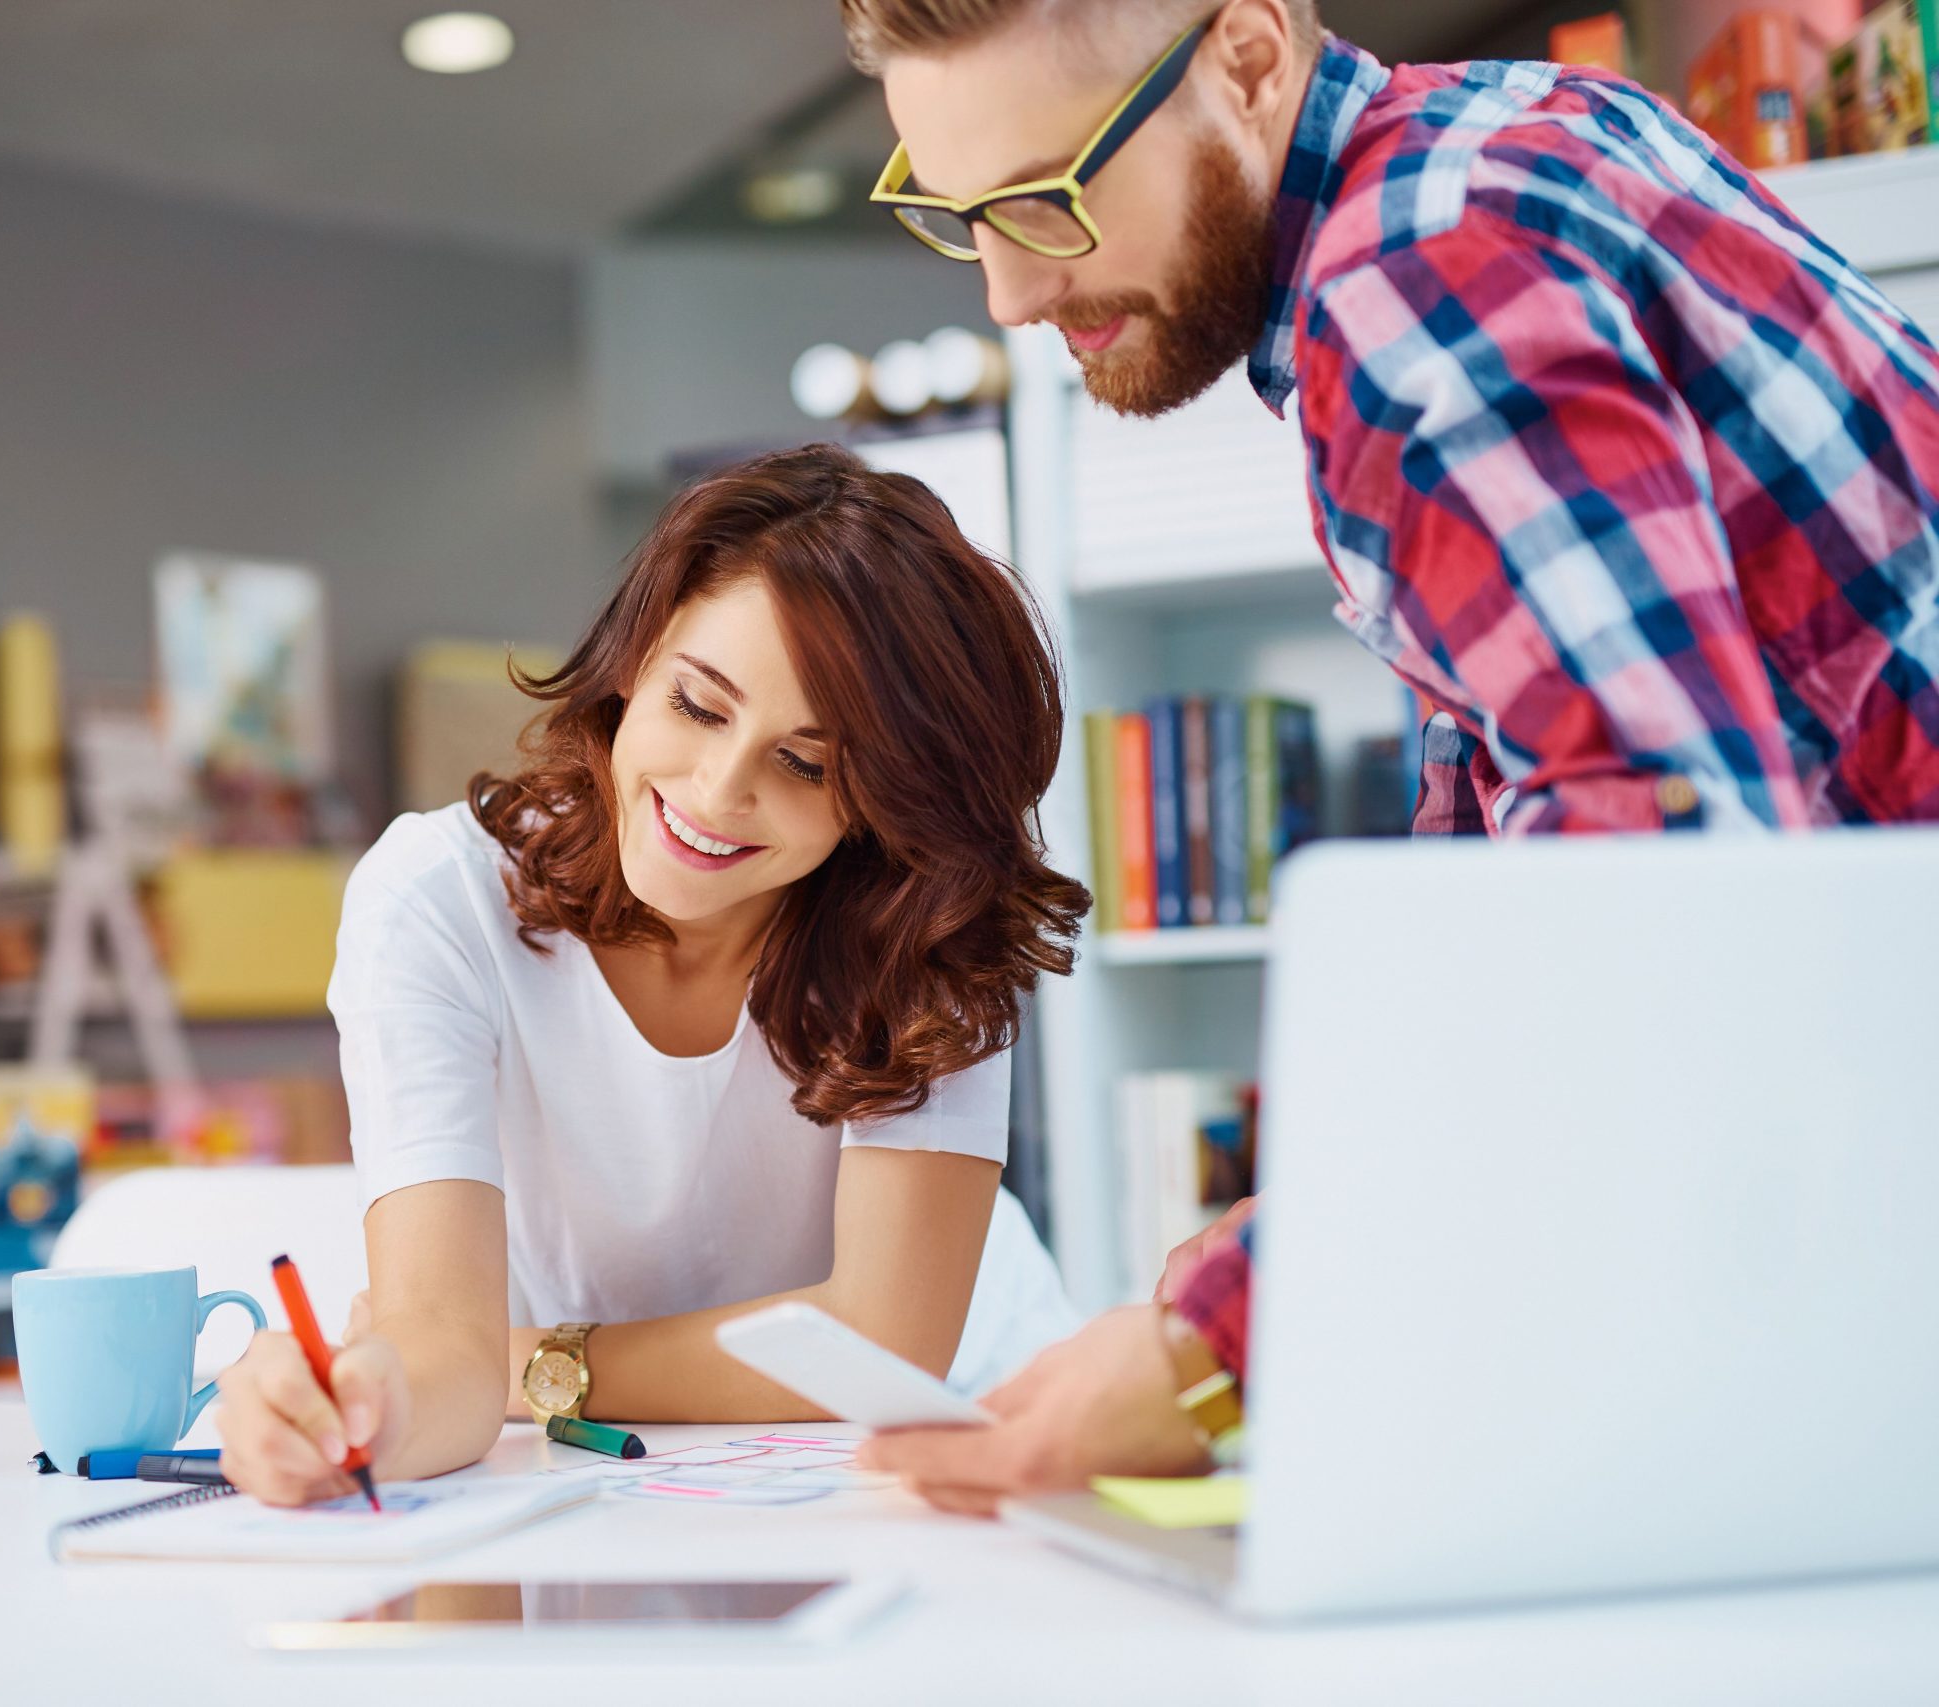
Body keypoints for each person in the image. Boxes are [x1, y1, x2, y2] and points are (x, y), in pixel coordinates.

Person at [842, 0, 1939, 1509]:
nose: (1014, 290)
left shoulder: (1419, 281)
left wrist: (1213, 1346)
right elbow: (1528, 836)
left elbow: (1666, 891)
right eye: (957, 213)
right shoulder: (1509, 142)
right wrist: (1339, 1209)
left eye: (1049, 192)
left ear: (1245, 51)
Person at [211, 443, 1089, 1504]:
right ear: (636, 657)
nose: (717, 793)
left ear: (884, 799)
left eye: (805, 764)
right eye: (699, 707)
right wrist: (368, 1414)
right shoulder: (435, 901)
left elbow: (884, 1348)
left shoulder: (928, 928)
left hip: (927, 1454)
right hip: (596, 1464)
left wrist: (535, 1362)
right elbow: (442, 1344)